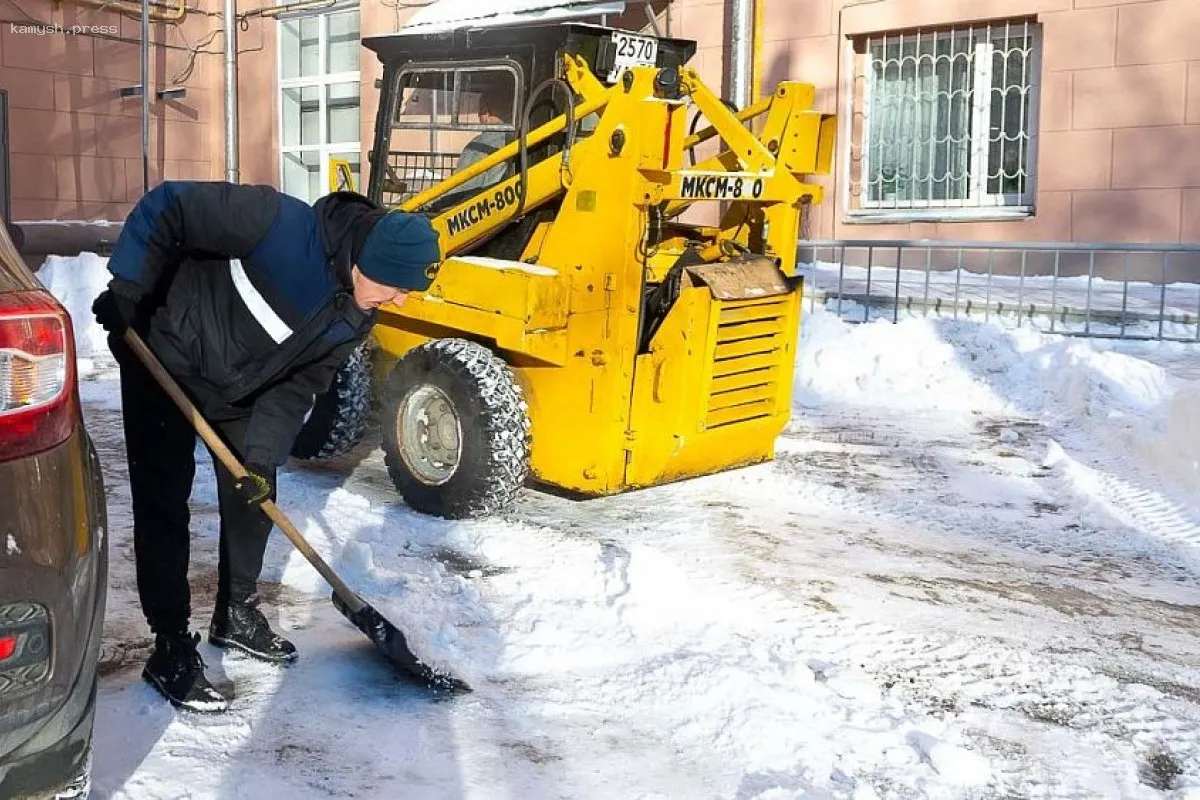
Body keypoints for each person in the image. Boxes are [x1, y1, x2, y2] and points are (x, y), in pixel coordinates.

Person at [92, 181, 441, 713]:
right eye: (397, 286)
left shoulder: (356, 315)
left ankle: (236, 613)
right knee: (163, 504)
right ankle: (170, 645)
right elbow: (171, 205)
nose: (401, 300)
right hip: (164, 355)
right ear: (369, 261)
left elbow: (297, 387)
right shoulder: (278, 225)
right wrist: (128, 288)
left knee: (255, 493)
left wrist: (260, 458)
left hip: (240, 391)